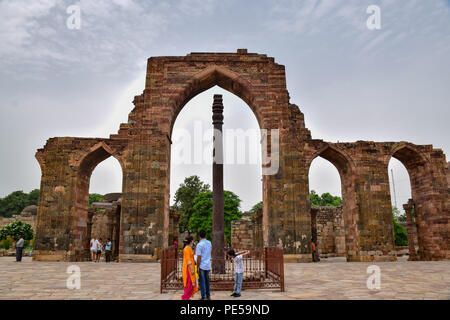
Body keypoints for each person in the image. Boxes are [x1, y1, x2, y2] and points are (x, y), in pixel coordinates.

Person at [195, 230, 212, 300]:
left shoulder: (199, 245)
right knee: (207, 281)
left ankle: (203, 297)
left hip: (202, 265)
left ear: (199, 236)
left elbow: (199, 257)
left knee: (202, 281)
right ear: (205, 235)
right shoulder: (209, 243)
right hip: (208, 264)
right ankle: (208, 296)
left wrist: (198, 267)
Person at [181, 236, 198, 300]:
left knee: (191, 283)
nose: (193, 241)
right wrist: (192, 269)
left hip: (190, 267)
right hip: (188, 268)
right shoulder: (186, 249)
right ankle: (185, 297)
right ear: (191, 241)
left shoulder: (189, 248)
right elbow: (188, 260)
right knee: (189, 283)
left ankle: (187, 296)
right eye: (193, 240)